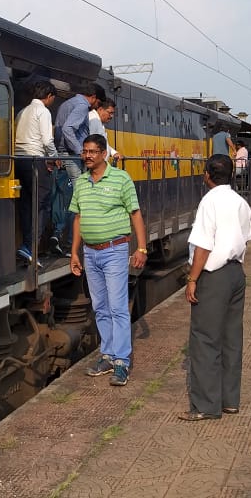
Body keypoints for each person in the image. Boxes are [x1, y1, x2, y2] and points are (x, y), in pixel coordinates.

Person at [178, 153, 251, 421]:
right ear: (232, 175)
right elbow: (247, 238)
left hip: (215, 276)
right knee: (232, 338)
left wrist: (192, 279)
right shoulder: (240, 202)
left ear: (207, 175)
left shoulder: (209, 201)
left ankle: (205, 406)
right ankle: (230, 401)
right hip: (236, 273)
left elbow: (203, 245)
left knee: (205, 340)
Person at [69, 134, 148, 388]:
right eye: (85, 152)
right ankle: (107, 355)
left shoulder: (121, 179)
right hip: (90, 253)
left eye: (92, 151)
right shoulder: (80, 182)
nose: (87, 156)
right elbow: (78, 218)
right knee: (100, 307)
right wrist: (74, 253)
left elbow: (135, 215)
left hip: (115, 250)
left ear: (104, 154)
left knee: (117, 307)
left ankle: (122, 361)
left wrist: (142, 249)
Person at [14, 80, 58, 262]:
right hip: (35, 160)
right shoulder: (43, 111)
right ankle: (31, 246)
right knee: (42, 204)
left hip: (19, 161)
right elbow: (47, 141)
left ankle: (26, 244)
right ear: (48, 97)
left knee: (26, 204)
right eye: (52, 99)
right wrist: (55, 158)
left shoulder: (22, 111)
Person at [53, 83, 101, 247]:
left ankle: (60, 235)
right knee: (80, 196)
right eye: (98, 104)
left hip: (62, 154)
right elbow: (68, 129)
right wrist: (80, 150)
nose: (96, 107)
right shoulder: (82, 105)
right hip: (71, 155)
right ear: (93, 97)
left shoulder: (67, 103)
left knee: (65, 197)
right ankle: (72, 241)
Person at [88, 98, 121, 162]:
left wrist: (113, 153)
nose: (111, 116)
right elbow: (91, 143)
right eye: (110, 113)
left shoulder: (98, 122)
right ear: (100, 109)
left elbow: (102, 143)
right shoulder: (93, 120)